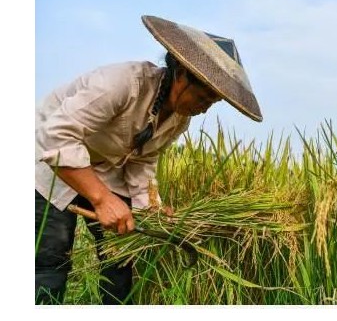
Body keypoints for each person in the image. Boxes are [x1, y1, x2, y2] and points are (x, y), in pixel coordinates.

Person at [35, 15, 263, 305]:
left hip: (105, 167)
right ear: (181, 73)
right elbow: (57, 137)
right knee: (49, 261)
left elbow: (143, 159)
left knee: (120, 260)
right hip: (51, 164)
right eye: (202, 97)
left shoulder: (180, 118)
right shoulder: (119, 83)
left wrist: (151, 207)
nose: (203, 109)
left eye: (211, 103)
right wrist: (102, 199)